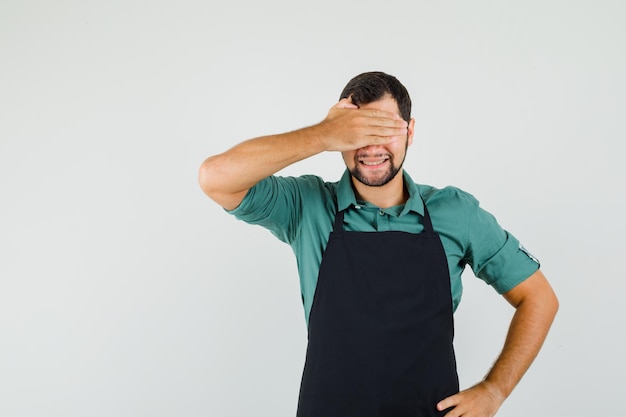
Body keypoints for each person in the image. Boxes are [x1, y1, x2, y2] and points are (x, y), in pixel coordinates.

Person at [198, 71, 558, 417]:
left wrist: (494, 390)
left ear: (410, 132)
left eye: (384, 129)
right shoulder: (307, 206)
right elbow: (215, 177)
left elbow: (538, 298)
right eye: (357, 132)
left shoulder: (456, 212)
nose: (371, 147)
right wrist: (321, 135)